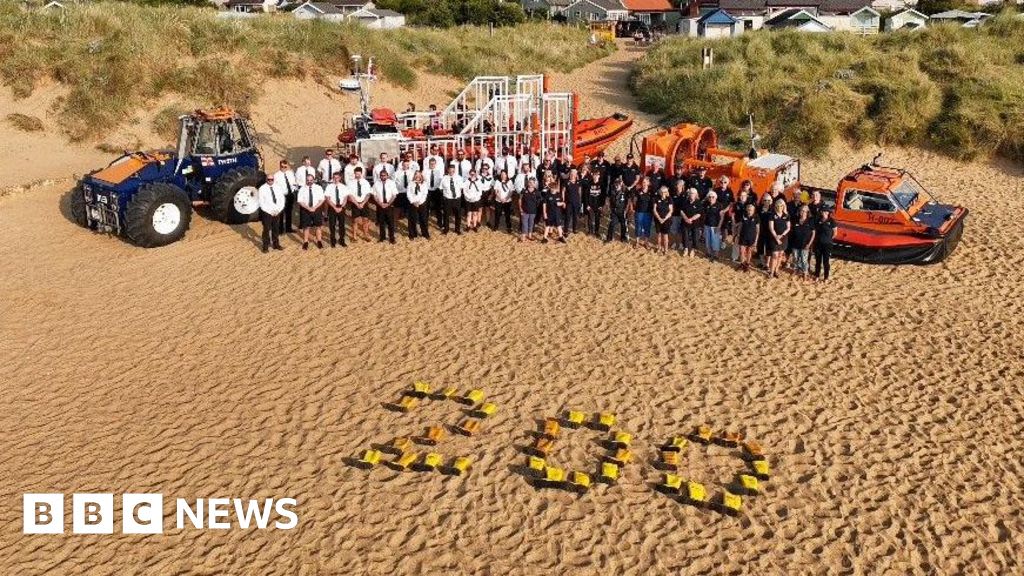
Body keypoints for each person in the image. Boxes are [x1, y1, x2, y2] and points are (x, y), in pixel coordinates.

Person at [297, 173, 325, 250]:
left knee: (318, 226)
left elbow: (322, 199)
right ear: (306, 180)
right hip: (306, 210)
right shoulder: (302, 189)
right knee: (306, 227)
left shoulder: (318, 188)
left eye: (311, 180)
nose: (309, 181)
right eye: (308, 180)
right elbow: (300, 201)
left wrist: (315, 207)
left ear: (314, 180)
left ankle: (319, 240)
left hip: (317, 209)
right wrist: (308, 208)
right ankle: (305, 242)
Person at [257, 173, 285, 253]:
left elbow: (281, 199)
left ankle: (276, 244)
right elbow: (261, 203)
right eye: (268, 179)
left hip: (277, 212)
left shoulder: (278, 187)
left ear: (274, 179)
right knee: (266, 229)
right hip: (267, 213)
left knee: (276, 229)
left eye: (271, 179)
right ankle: (265, 246)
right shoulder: (262, 189)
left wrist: (278, 210)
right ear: (266, 180)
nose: (270, 181)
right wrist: (270, 212)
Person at [790, 205, 816, 281]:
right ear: (799, 211)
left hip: (805, 245)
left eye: (805, 211)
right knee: (795, 259)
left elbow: (813, 233)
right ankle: (796, 270)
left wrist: (809, 244)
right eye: (802, 210)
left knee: (804, 260)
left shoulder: (810, 221)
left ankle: (805, 273)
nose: (803, 212)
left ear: (808, 212)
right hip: (795, 244)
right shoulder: (795, 220)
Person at [372, 170, 399, 244]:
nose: (382, 176)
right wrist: (380, 203)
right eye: (381, 175)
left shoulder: (391, 183)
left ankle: (392, 238)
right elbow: (374, 195)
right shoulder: (376, 184)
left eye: (384, 175)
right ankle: (382, 237)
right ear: (379, 176)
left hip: (389, 205)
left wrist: (388, 204)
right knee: (381, 223)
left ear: (387, 175)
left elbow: (394, 195)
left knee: (391, 223)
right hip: (380, 205)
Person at [730, 181, 754, 262]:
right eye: (741, 195)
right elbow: (732, 213)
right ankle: (735, 256)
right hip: (736, 224)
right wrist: (733, 223)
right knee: (736, 240)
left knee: (744, 242)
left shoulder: (749, 205)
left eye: (744, 195)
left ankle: (744, 258)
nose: (742, 197)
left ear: (747, 196)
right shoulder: (736, 204)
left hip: (745, 225)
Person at [348, 167, 374, 242]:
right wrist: (357, 204)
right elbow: (350, 195)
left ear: (361, 173)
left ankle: (365, 235)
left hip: (364, 203)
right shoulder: (351, 183)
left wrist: (363, 203)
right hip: (355, 203)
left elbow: (368, 194)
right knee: (355, 220)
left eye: (359, 174)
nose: (357, 175)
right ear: (354, 174)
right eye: (356, 174)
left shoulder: (365, 182)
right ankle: (354, 236)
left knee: (365, 220)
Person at [273, 160, 298, 234]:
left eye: (285, 167)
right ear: (279, 166)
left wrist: (295, 189)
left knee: (289, 212)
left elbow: (293, 182)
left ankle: (288, 228)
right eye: (282, 167)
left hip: (290, 194)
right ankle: (280, 230)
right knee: (281, 213)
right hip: (282, 196)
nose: (283, 168)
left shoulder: (290, 173)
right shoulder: (276, 175)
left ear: (287, 166)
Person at [324, 172, 348, 248]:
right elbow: (327, 199)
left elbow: (345, 198)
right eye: (334, 177)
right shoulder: (329, 186)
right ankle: (333, 241)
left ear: (340, 178)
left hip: (341, 207)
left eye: (337, 177)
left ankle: (342, 240)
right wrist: (334, 207)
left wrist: (341, 207)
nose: (335, 179)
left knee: (341, 225)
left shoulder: (343, 187)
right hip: (332, 207)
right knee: (332, 225)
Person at [767, 198, 790, 278]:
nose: (779, 207)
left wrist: (782, 235)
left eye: (781, 206)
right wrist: (776, 238)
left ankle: (776, 270)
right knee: (774, 255)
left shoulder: (786, 215)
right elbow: (771, 228)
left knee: (780, 255)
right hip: (774, 238)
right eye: (778, 205)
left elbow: (788, 228)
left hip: (783, 238)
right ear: (775, 206)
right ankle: (771, 272)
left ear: (783, 206)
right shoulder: (772, 215)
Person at [440, 164, 465, 235]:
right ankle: (446, 230)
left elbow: (461, 188)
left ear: (455, 170)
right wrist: (446, 196)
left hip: (456, 199)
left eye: (453, 171)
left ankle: (457, 230)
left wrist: (457, 195)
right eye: (450, 170)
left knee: (458, 215)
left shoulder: (459, 178)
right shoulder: (444, 178)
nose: (451, 172)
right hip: (448, 199)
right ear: (448, 170)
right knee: (446, 215)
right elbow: (441, 188)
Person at [405, 171, 430, 240]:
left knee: (423, 219)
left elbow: (425, 194)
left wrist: (420, 202)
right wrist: (413, 202)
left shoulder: (424, 184)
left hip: (422, 203)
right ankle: (412, 235)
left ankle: (425, 234)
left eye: (419, 175)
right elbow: (408, 193)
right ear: (414, 176)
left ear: (421, 176)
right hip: (413, 203)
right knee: (412, 219)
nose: (417, 176)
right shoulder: (411, 183)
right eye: (416, 175)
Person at [605, 179, 631, 244]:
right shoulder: (612, 190)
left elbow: (628, 201)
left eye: (619, 184)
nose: (617, 185)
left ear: (621, 184)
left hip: (622, 211)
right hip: (614, 211)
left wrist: (626, 209)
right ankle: (609, 238)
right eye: (616, 183)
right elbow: (608, 198)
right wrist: (608, 205)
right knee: (612, 224)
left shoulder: (625, 191)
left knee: (623, 225)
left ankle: (623, 238)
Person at [814, 208, 836, 282]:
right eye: (823, 211)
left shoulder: (832, 221)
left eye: (826, 211)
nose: (824, 212)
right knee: (818, 261)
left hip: (827, 244)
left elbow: (835, 233)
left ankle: (826, 277)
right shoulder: (818, 220)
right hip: (818, 244)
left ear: (828, 212)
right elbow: (815, 231)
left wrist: (828, 239)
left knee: (826, 262)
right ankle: (817, 275)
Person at [541, 178, 566, 243]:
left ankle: (560, 237)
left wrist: (560, 204)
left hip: (557, 213)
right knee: (547, 226)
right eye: (551, 187)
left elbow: (562, 203)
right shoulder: (547, 195)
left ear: (556, 188)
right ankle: (544, 238)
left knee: (559, 226)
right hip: (549, 213)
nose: (552, 189)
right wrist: (544, 213)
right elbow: (544, 204)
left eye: (554, 188)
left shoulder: (559, 195)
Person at [423, 156, 445, 229]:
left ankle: (440, 223)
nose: (432, 165)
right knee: (426, 207)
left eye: (433, 164)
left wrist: (440, 190)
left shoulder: (439, 171)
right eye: (431, 164)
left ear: (435, 164)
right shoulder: (424, 171)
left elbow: (441, 181)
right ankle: (425, 223)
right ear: (428, 164)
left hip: (436, 191)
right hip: (427, 191)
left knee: (438, 208)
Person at [736, 202, 759, 271]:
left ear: (754, 210)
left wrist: (756, 240)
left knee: (749, 251)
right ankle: (742, 264)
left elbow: (758, 230)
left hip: (752, 237)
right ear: (746, 209)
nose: (749, 211)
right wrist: (738, 234)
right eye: (748, 209)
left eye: (751, 209)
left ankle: (747, 264)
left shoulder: (756, 217)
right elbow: (740, 226)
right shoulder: (743, 215)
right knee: (741, 250)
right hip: (743, 236)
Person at [679, 187, 702, 257]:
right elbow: (681, 211)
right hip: (685, 222)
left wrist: (691, 219)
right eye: (690, 193)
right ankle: (685, 249)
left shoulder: (698, 202)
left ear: (696, 194)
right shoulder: (685, 201)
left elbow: (699, 213)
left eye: (693, 193)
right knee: (685, 236)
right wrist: (686, 218)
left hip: (695, 223)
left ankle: (692, 250)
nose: (691, 194)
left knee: (695, 237)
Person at [633, 178, 654, 248]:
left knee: (647, 227)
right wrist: (636, 208)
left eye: (645, 182)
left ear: (648, 183)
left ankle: (646, 242)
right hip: (639, 212)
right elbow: (634, 201)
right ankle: (637, 242)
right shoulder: (638, 191)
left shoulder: (651, 192)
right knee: (638, 227)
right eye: (643, 182)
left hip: (648, 213)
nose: (644, 184)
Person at [702, 190, 723, 260]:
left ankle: (716, 255)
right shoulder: (706, 204)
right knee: (707, 239)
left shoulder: (719, 205)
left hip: (715, 226)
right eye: (709, 197)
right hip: (707, 225)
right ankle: (708, 253)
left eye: (713, 197)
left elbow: (722, 217)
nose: (711, 198)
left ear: (715, 198)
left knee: (715, 240)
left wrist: (719, 226)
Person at [584, 169, 605, 237]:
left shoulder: (601, 184)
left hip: (598, 205)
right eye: (594, 175)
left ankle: (596, 231)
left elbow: (603, 196)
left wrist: (601, 205)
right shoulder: (589, 184)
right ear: (592, 175)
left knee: (597, 219)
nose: (596, 176)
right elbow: (586, 195)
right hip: (590, 205)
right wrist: (587, 205)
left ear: (599, 176)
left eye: (597, 175)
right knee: (590, 218)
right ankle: (590, 231)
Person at [518, 178, 540, 242]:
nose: (531, 184)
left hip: (533, 211)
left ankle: (530, 235)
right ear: (528, 183)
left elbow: (539, 201)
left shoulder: (537, 192)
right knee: (524, 223)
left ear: (534, 184)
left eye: (532, 182)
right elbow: (520, 200)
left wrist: (536, 206)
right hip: (524, 211)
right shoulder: (523, 191)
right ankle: (523, 236)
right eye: (529, 182)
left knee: (531, 223)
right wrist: (520, 209)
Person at [653, 186, 673, 254]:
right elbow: (654, 209)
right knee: (658, 235)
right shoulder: (656, 198)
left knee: (665, 235)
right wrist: (659, 218)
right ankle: (659, 247)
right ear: (660, 192)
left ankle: (666, 249)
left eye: (664, 192)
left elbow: (670, 211)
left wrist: (664, 219)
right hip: (658, 219)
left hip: (666, 220)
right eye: (661, 192)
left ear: (667, 192)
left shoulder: (669, 199)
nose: (663, 193)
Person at [756, 193, 774, 268]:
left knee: (768, 248)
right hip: (761, 231)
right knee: (760, 246)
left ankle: (767, 264)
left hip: (770, 231)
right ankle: (762, 262)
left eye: (769, 200)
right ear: (762, 201)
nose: (767, 202)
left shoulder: (773, 210)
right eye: (765, 200)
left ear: (771, 201)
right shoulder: (759, 209)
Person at [563, 168, 582, 237]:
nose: (572, 175)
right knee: (567, 217)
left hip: (576, 202)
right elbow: (563, 191)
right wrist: (563, 201)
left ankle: (574, 229)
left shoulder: (578, 182)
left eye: (574, 174)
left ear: (576, 175)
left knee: (575, 216)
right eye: (571, 174)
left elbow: (579, 192)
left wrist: (580, 201)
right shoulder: (566, 182)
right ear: (570, 174)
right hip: (568, 202)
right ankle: (565, 230)